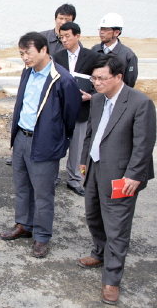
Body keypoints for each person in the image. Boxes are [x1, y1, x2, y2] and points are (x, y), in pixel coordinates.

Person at [78, 54, 155, 305]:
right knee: (94, 215)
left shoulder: (140, 103)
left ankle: (112, 279)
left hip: (122, 176)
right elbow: (90, 133)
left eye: (102, 78)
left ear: (119, 77)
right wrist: (83, 160)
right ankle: (99, 253)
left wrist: (134, 175)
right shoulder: (99, 100)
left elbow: (144, 145)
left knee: (117, 228)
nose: (96, 83)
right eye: (94, 78)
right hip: (95, 168)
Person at [0, 32, 80, 258]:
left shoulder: (62, 79)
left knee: (43, 193)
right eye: (21, 53)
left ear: (44, 50)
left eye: (28, 53)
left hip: (44, 142)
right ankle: (24, 224)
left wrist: (55, 139)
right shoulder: (28, 72)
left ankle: (42, 236)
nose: (25, 58)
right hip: (21, 138)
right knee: (22, 186)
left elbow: (70, 115)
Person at [53, 22, 100, 196]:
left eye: (67, 36)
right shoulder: (57, 57)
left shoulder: (92, 57)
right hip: (61, 108)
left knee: (78, 145)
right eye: (61, 37)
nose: (64, 40)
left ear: (77, 36)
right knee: (57, 142)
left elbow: (99, 81)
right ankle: (54, 176)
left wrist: (92, 96)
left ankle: (74, 179)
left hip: (82, 108)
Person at [92, 13, 138, 88]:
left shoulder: (128, 55)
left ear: (116, 32)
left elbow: (129, 82)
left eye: (106, 29)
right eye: (101, 29)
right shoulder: (95, 50)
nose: (101, 32)